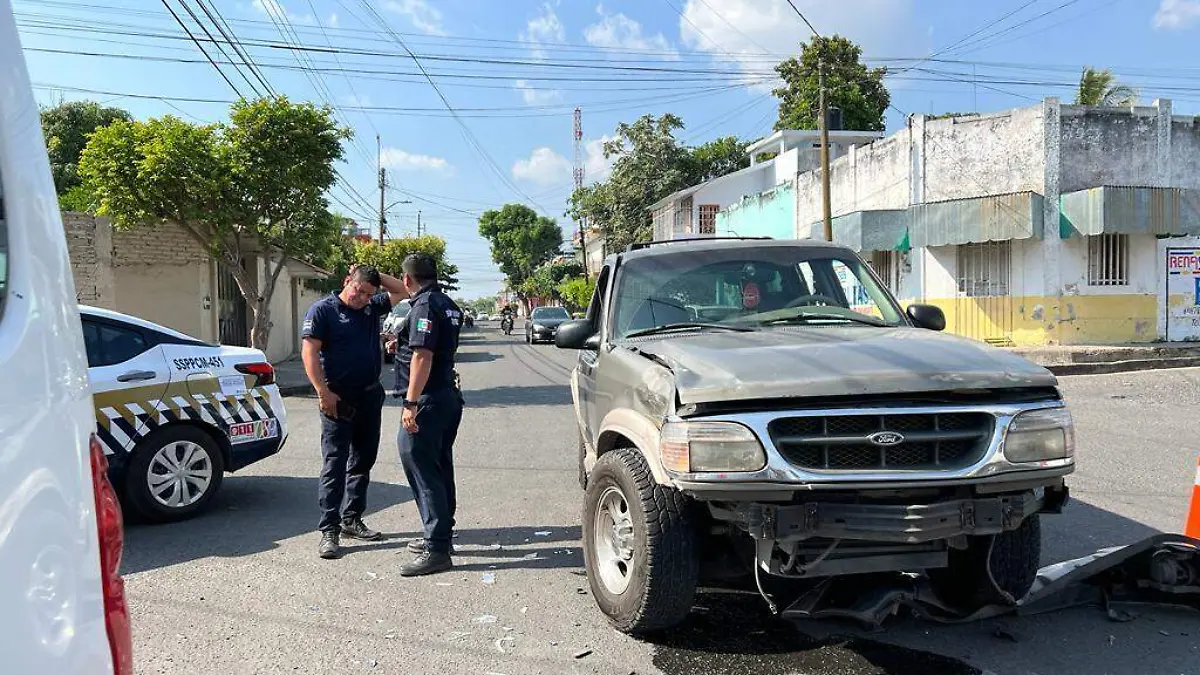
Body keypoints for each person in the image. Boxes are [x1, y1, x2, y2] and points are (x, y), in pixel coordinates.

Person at [301, 264, 407, 560]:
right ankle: (329, 529)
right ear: (347, 281)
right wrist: (323, 392)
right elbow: (309, 353)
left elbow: (402, 289)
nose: (361, 298)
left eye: (368, 293)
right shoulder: (323, 310)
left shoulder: (372, 308)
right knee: (335, 462)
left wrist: (373, 275)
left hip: (370, 396)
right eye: (358, 290)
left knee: (363, 459)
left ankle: (352, 518)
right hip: (337, 398)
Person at [394, 253, 464, 577]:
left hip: (429, 399)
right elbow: (428, 345)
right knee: (438, 465)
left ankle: (436, 547)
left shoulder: (422, 305)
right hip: (447, 396)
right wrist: (403, 344)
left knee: (420, 466)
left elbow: (423, 355)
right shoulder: (447, 303)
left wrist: (410, 404)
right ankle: (441, 536)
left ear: (407, 280)